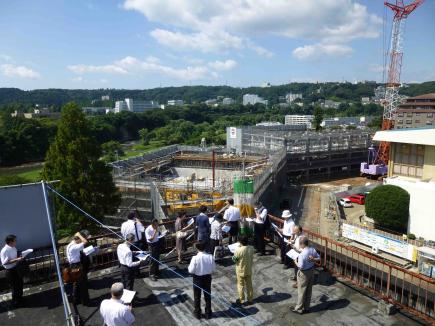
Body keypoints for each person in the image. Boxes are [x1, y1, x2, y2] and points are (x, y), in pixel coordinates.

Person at [290, 236, 320, 315]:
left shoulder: (302, 255)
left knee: (301, 291)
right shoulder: (312, 249)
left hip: (303, 273)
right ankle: (307, 307)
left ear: (302, 244)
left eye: (299, 243)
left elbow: (300, 266)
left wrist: (295, 261)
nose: (299, 245)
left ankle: (299, 308)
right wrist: (313, 259)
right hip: (311, 271)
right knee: (309, 290)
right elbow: (319, 258)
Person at [188, 241, 216, 320]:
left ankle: (197, 313)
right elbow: (213, 269)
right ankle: (208, 313)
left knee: (197, 296)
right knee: (207, 296)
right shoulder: (210, 256)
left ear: (197, 248)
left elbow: (191, 270)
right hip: (207, 278)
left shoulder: (195, 258)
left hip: (197, 279)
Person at [66, 231, 90, 305]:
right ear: (78, 239)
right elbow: (85, 242)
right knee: (83, 284)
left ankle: (76, 300)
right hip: (77, 266)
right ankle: (86, 301)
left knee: (76, 284)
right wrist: (79, 235)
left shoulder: (70, 245)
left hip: (72, 266)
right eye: (80, 240)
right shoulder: (74, 246)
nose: (81, 241)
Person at [1, 235, 24, 308]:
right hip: (10, 271)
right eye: (15, 241)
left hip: (16, 268)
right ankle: (15, 302)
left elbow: (14, 256)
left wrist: (20, 256)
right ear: (10, 242)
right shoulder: (4, 251)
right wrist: (17, 260)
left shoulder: (13, 247)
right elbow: (4, 263)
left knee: (20, 284)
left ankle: (20, 299)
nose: (16, 242)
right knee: (15, 287)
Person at [232, 235, 254, 305]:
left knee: (240, 285)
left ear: (240, 242)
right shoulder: (251, 248)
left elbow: (234, 260)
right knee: (249, 285)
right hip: (248, 269)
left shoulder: (238, 250)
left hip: (240, 270)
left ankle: (242, 300)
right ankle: (250, 299)